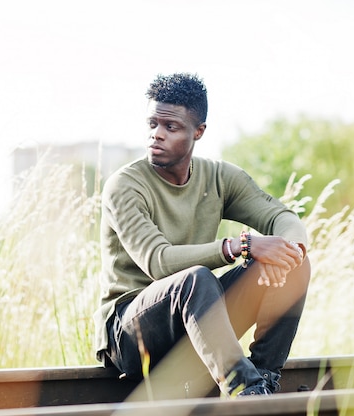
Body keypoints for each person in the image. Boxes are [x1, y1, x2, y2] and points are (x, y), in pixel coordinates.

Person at [93, 72, 311, 398]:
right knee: (196, 279)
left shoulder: (219, 178)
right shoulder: (125, 186)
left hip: (195, 326)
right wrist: (239, 246)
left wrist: (289, 252)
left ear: (198, 131)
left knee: (296, 265)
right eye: (152, 124)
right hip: (129, 335)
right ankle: (245, 390)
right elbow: (159, 262)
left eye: (171, 127)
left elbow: (282, 217)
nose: (156, 135)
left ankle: (264, 380)